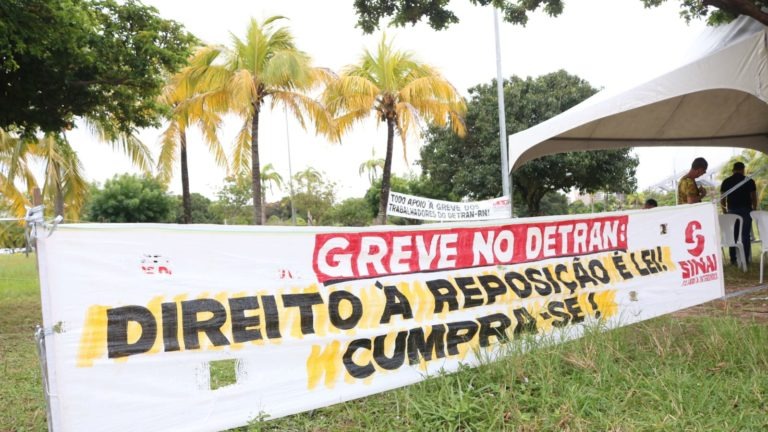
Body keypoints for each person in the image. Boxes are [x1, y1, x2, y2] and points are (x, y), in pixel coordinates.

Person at [720, 161, 757, 266]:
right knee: (745, 235)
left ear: (733, 170)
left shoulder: (726, 181)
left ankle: (733, 260)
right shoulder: (749, 181)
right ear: (743, 169)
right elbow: (753, 197)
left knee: (733, 236)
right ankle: (745, 259)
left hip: (732, 211)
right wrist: (753, 209)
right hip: (746, 211)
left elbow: (722, 199)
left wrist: (725, 211)